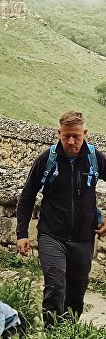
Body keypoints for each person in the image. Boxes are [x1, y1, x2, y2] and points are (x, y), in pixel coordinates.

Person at [16, 110, 106, 326]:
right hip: (51, 235)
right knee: (55, 286)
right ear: (59, 133)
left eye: (76, 135)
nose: (71, 141)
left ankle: (68, 336)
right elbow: (27, 196)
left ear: (85, 133)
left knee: (76, 293)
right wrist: (22, 234)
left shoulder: (94, 158)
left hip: (84, 238)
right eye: (66, 136)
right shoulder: (47, 159)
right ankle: (51, 336)